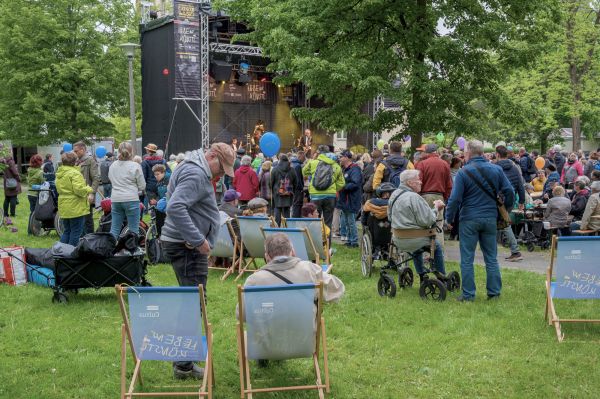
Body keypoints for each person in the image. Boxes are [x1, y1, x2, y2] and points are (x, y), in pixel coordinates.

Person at [160, 143, 234, 380]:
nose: (221, 174)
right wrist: (198, 240)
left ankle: (183, 362)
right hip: (187, 247)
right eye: (221, 168)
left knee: (191, 301)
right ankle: (183, 365)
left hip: (183, 245)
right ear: (211, 156)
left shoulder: (192, 167)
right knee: (193, 304)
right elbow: (175, 206)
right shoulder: (195, 173)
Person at [445, 140, 514, 301]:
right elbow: (509, 190)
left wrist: (449, 218)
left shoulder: (463, 172)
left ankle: (468, 294)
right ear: (482, 152)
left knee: (467, 258)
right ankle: (494, 293)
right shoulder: (496, 169)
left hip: (468, 218)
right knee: (491, 257)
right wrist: (506, 209)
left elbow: (455, 199)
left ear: (468, 153)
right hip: (490, 217)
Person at [242, 232, 344, 324]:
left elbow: (242, 314)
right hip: (304, 340)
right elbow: (337, 289)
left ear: (267, 256)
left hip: (267, 342)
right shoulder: (310, 270)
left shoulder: (254, 280)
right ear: (293, 252)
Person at [388, 170, 447, 285]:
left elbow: (390, 218)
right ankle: (441, 277)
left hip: (398, 240)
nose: (421, 182)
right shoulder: (414, 197)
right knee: (437, 247)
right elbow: (428, 220)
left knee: (416, 249)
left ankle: (422, 275)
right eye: (418, 180)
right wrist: (436, 208)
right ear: (410, 182)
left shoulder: (394, 195)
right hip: (415, 240)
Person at [415, 144, 452, 245]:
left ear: (426, 152)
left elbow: (418, 182)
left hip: (425, 196)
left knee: (424, 224)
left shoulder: (422, 164)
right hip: (439, 196)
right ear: (436, 152)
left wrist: (417, 196)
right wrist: (444, 197)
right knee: (438, 224)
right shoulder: (445, 164)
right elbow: (449, 185)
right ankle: (439, 253)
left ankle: (425, 252)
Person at [108, 142, 146, 239]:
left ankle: (109, 249)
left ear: (119, 151)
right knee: (133, 229)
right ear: (131, 151)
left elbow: (111, 180)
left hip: (116, 199)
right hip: (131, 199)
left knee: (115, 228)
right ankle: (132, 250)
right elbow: (142, 186)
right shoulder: (135, 166)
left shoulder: (112, 165)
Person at [302, 144, 345, 229]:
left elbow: (304, 172)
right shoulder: (335, 165)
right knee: (328, 222)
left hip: (315, 196)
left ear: (318, 152)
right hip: (330, 196)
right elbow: (342, 183)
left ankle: (316, 241)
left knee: (314, 222)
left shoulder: (313, 163)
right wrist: (333, 188)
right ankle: (327, 241)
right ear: (328, 152)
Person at [56, 152, 94, 246]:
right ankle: (71, 254)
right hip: (75, 206)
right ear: (75, 161)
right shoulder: (75, 173)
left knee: (67, 231)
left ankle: (60, 252)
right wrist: (88, 188)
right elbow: (79, 190)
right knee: (76, 232)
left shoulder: (59, 173)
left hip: (64, 205)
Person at [495, 145, 525, 262]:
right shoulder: (514, 168)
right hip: (511, 200)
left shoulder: (495, 168)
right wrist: (521, 201)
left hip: (499, 200)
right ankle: (511, 250)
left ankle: (515, 251)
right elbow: (520, 185)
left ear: (497, 154)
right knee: (500, 224)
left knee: (504, 225)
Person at [336, 150, 362, 247]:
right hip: (344, 198)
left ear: (347, 157)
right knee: (346, 220)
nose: (340, 159)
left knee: (351, 221)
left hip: (351, 198)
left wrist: (343, 186)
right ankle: (349, 239)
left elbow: (355, 183)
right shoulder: (345, 169)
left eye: (341, 157)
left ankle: (354, 241)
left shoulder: (355, 169)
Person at [73, 141, 100, 234]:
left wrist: (92, 193)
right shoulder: (75, 161)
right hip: (77, 195)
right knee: (78, 220)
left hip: (87, 195)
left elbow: (96, 178)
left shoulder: (90, 160)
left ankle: (89, 240)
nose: (74, 153)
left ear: (83, 149)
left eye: (76, 151)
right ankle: (81, 240)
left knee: (87, 220)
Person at [270, 154, 298, 225]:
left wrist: (274, 190)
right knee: (287, 212)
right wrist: (292, 190)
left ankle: (277, 228)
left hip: (277, 193)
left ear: (279, 160)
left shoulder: (275, 169)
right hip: (288, 193)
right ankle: (286, 228)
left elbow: (271, 183)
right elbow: (296, 182)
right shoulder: (292, 170)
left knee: (277, 210)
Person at [152, 163, 169, 236]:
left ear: (163, 172)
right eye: (155, 175)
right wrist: (156, 199)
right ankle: (159, 237)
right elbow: (158, 194)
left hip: (168, 205)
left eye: (157, 174)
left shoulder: (169, 179)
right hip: (161, 205)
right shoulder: (159, 182)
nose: (156, 176)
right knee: (158, 222)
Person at [290, 151, 305, 218]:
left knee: (294, 204)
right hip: (297, 189)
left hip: (292, 188)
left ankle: (294, 218)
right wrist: (301, 188)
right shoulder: (298, 166)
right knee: (297, 205)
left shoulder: (291, 164)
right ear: (300, 156)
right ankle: (296, 219)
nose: (304, 159)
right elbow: (298, 179)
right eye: (304, 157)